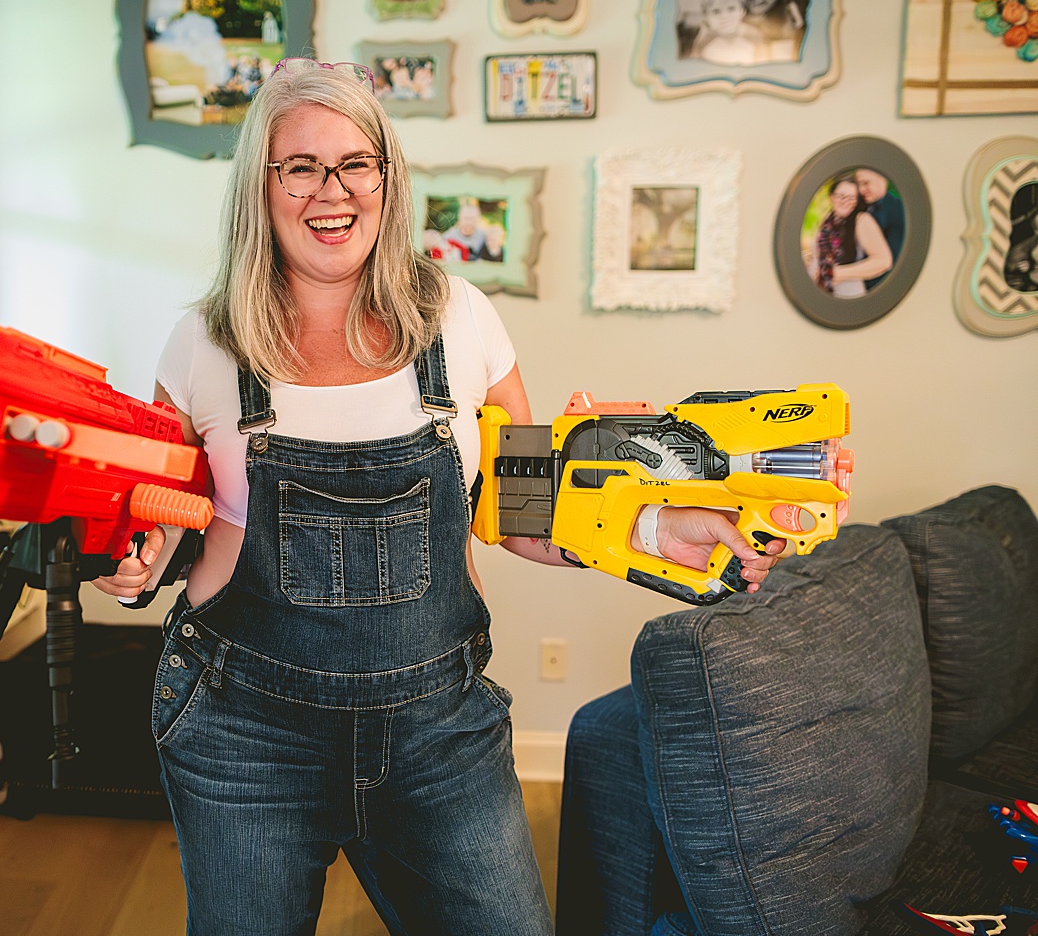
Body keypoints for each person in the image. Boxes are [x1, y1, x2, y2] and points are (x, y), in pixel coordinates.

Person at [92, 57, 784, 935]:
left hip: (436, 738)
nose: (329, 191)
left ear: (388, 175)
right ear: (259, 189)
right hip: (244, 734)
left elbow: (525, 512)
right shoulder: (204, 341)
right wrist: (131, 556)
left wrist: (657, 523)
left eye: (355, 162)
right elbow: (161, 511)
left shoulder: (463, 318)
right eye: (299, 167)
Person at [812, 176, 893, 298]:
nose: (845, 201)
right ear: (832, 197)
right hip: (821, 296)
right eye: (841, 196)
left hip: (848, 298)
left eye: (851, 198)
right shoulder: (828, 221)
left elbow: (884, 262)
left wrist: (836, 273)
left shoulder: (862, 220)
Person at [853, 167, 905, 291]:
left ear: (882, 179)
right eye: (858, 184)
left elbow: (894, 260)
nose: (861, 190)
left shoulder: (898, 209)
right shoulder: (864, 208)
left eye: (866, 183)